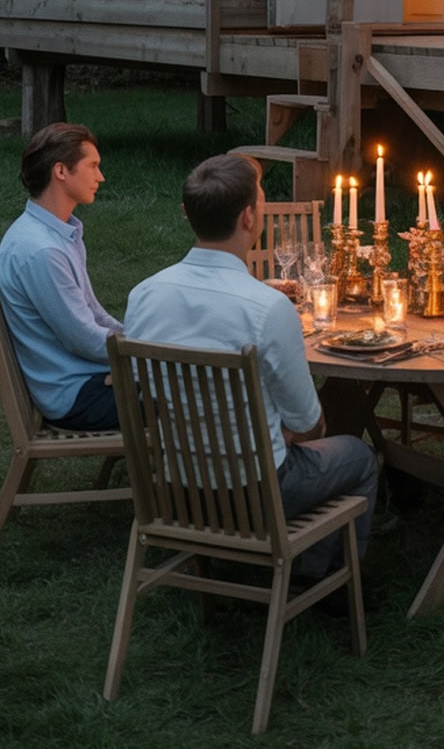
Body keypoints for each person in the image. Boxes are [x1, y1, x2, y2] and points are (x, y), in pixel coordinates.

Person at [123, 150, 378, 581]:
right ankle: (324, 582)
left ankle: (295, 567)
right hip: (257, 489)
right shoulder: (267, 308)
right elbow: (310, 420)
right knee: (358, 455)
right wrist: (280, 430)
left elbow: (146, 397)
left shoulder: (144, 295)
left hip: (176, 486)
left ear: (187, 214)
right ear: (249, 219)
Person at [0, 121, 122, 429]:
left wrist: (144, 341)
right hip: (78, 395)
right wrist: (149, 355)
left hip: (87, 378)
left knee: (193, 383)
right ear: (61, 171)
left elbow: (93, 314)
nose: (100, 177)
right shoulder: (42, 251)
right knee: (198, 395)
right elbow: (84, 339)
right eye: (92, 166)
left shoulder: (58, 235)